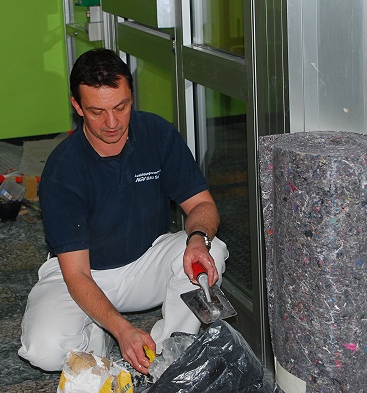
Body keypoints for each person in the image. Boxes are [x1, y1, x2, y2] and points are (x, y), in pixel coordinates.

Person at [18, 48, 229, 375]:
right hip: (82, 272)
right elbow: (77, 274)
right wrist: (121, 330)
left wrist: (198, 239)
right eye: (97, 112)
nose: (113, 122)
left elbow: (202, 205)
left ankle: (168, 354)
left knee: (210, 250)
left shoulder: (156, 134)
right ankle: (97, 337)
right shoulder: (62, 171)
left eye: (121, 106)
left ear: (131, 96)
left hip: (146, 262)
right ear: (77, 106)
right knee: (43, 350)